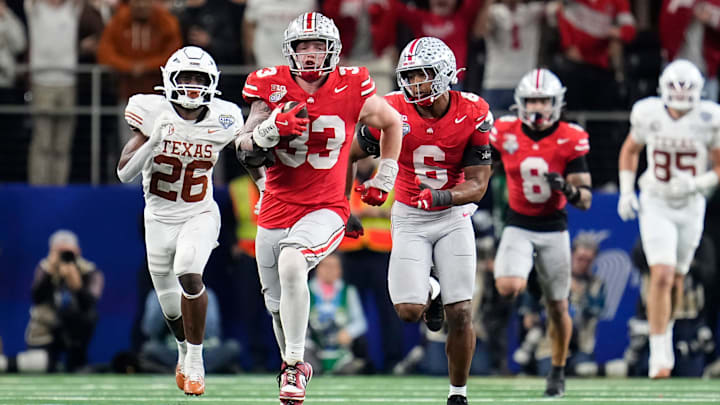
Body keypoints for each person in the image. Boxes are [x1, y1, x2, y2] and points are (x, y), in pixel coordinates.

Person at [235, 12, 402, 405]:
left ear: (334, 50)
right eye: (302, 46)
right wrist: (267, 132)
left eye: (318, 45)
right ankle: (290, 366)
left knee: (294, 261)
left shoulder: (352, 85)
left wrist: (385, 177)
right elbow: (243, 146)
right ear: (289, 51)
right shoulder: (269, 85)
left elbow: (393, 123)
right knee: (276, 305)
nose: (310, 54)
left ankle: (295, 365)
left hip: (326, 206)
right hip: (276, 205)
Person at [350, 36, 493, 405]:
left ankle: (457, 394)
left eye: (424, 76)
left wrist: (444, 196)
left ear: (445, 74)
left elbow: (478, 185)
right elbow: (347, 153)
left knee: (460, 312)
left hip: (452, 214)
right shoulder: (392, 109)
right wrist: (342, 198)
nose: (415, 85)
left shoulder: (473, 110)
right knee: (408, 311)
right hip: (411, 215)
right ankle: (431, 292)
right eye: (410, 77)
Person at [116, 46, 244, 396]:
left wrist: (264, 181)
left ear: (212, 83)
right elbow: (124, 173)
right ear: (169, 80)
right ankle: (184, 352)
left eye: (198, 79)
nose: (191, 85)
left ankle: (197, 361)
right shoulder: (151, 111)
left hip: (199, 212)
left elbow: (249, 153)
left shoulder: (225, 117)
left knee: (190, 271)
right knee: (170, 309)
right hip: (158, 218)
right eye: (185, 78)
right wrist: (153, 140)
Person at [491, 68, 592, 397]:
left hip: (553, 227)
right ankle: (532, 279)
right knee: (507, 286)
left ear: (556, 103)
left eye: (543, 101)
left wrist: (567, 189)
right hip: (518, 223)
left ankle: (558, 371)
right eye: (532, 100)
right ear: (520, 102)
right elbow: (480, 169)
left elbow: (586, 200)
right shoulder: (504, 131)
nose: (537, 107)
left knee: (558, 307)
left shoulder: (570, 137)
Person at [617, 59, 720, 379]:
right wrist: (626, 190)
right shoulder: (649, 113)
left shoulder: (710, 118)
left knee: (676, 278)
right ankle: (660, 355)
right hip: (656, 200)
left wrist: (698, 183)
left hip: (690, 203)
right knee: (660, 273)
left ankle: (667, 330)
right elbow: (631, 150)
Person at [18, 230, 103, 372]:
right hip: (47, 328)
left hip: (74, 329)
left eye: (69, 253)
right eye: (60, 252)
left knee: (90, 316)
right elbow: (36, 298)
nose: (65, 257)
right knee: (42, 365)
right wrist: (50, 270)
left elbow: (89, 304)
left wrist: (76, 284)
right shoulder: (44, 268)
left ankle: (77, 358)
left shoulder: (90, 271)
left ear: (78, 251)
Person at [306, 253, 371, 375]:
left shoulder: (348, 291)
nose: (330, 270)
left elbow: (360, 322)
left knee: (360, 344)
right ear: (317, 268)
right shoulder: (306, 291)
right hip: (315, 344)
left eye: (334, 266)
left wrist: (348, 332)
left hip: (341, 345)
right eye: (326, 266)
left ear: (340, 270)